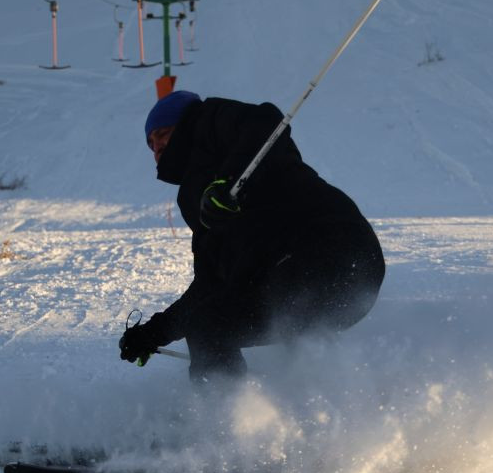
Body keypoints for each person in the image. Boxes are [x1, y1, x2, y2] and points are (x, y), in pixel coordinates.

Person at [118, 91, 386, 385]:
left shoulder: (210, 122)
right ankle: (308, 415)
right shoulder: (195, 198)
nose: (157, 149)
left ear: (184, 125)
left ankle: (220, 421)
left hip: (330, 247)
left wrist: (229, 181)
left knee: (214, 323)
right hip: (309, 284)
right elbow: (210, 286)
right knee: (211, 324)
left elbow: (267, 121)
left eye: (163, 134)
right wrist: (153, 334)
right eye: (151, 145)